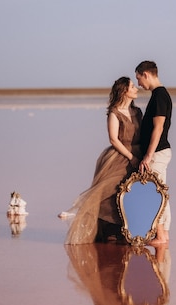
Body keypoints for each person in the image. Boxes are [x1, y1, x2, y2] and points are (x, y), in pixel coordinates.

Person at [64, 77, 142, 244]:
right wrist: (131, 157)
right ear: (124, 91)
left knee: (132, 193)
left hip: (138, 154)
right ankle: (109, 229)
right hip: (120, 156)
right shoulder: (114, 113)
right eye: (133, 86)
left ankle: (128, 227)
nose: (137, 89)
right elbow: (113, 139)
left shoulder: (138, 112)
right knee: (111, 191)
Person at [135, 61, 173, 245]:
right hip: (160, 152)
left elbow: (158, 128)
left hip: (157, 153)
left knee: (155, 193)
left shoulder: (159, 96)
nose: (139, 84)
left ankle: (160, 235)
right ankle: (163, 234)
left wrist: (148, 155)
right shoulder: (159, 95)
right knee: (161, 192)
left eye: (139, 78)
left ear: (146, 74)